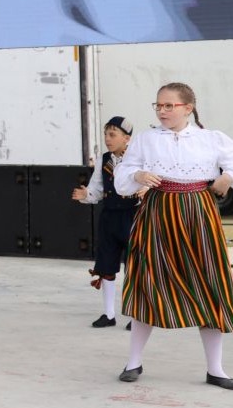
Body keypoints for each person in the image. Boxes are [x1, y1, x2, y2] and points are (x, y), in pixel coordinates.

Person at [114, 82, 233, 389]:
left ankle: (216, 369)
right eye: (159, 105)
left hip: (199, 212)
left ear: (187, 108)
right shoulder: (146, 139)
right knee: (148, 281)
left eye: (169, 105)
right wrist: (138, 175)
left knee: (210, 283)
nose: (162, 111)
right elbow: (123, 175)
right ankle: (133, 362)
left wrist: (227, 177)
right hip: (158, 211)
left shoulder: (211, 138)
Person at [71, 116, 143, 329]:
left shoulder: (138, 159)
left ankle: (135, 316)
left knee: (134, 266)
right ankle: (109, 314)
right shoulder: (104, 160)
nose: (107, 139)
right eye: (105, 134)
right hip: (110, 217)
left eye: (112, 134)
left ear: (127, 138)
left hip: (133, 216)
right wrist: (86, 194)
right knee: (106, 265)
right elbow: (96, 189)